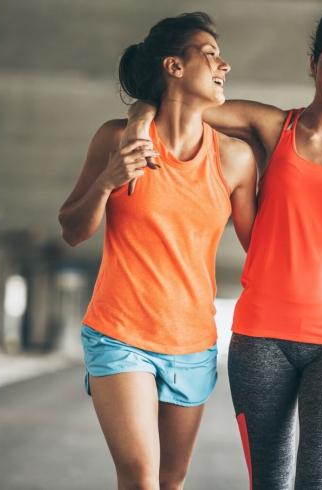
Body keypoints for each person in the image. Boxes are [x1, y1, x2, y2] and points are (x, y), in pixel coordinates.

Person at [123, 7, 322, 489]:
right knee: (269, 482)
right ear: (312, 63)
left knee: (319, 483)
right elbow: (182, 102)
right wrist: (140, 116)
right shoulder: (271, 127)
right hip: (261, 335)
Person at [58, 12, 257, 490]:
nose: (223, 64)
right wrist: (108, 182)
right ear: (174, 65)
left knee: (171, 483)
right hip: (119, 333)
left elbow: (262, 246)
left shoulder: (235, 158)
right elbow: (72, 229)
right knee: (141, 479)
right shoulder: (115, 138)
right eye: (209, 54)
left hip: (192, 343)